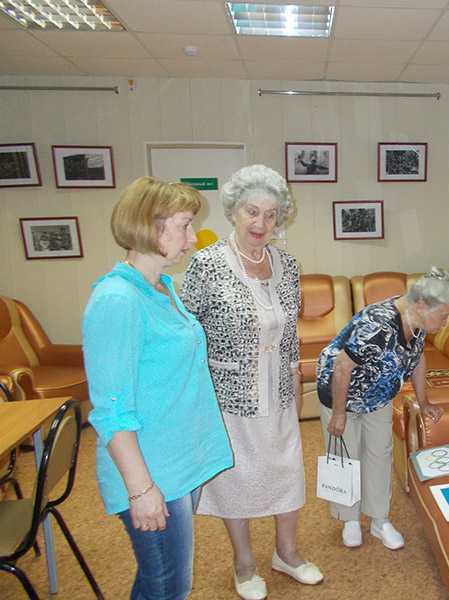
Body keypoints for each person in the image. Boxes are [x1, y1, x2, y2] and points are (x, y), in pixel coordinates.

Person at [82, 176, 233, 599]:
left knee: (161, 581)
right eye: (185, 226)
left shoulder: (161, 287)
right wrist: (141, 489)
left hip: (179, 460)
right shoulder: (118, 299)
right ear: (151, 226)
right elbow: (112, 410)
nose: (192, 238)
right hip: (152, 472)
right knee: (168, 586)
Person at [180, 164, 322, 600]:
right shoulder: (207, 264)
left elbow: (290, 331)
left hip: (279, 390)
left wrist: (295, 379)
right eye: (252, 212)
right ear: (234, 212)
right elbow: (187, 331)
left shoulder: (288, 265)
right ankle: (243, 563)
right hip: (229, 394)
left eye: (271, 214)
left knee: (286, 472)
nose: (261, 223)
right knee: (236, 479)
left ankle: (287, 553)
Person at [316, 267, 449, 549]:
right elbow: (342, 366)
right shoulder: (378, 324)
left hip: (378, 394)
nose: (446, 322)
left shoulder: (417, 319)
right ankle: (349, 520)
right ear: (422, 304)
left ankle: (379, 520)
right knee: (346, 455)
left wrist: (424, 402)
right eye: (444, 316)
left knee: (379, 453)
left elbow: (417, 359)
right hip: (341, 392)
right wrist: (338, 413)